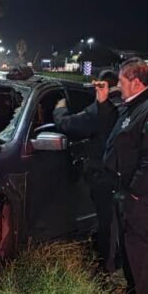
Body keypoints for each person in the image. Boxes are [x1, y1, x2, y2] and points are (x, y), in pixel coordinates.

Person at [103, 58, 148, 294]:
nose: (119, 87)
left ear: (135, 81)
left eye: (121, 82)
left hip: (138, 195)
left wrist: (134, 191)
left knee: (140, 250)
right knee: (130, 249)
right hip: (125, 189)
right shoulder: (134, 105)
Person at [53, 69, 124, 275]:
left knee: (106, 222)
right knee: (119, 221)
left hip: (103, 173)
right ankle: (118, 259)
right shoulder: (127, 106)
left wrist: (59, 110)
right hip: (123, 174)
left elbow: (69, 125)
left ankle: (106, 267)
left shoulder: (100, 109)